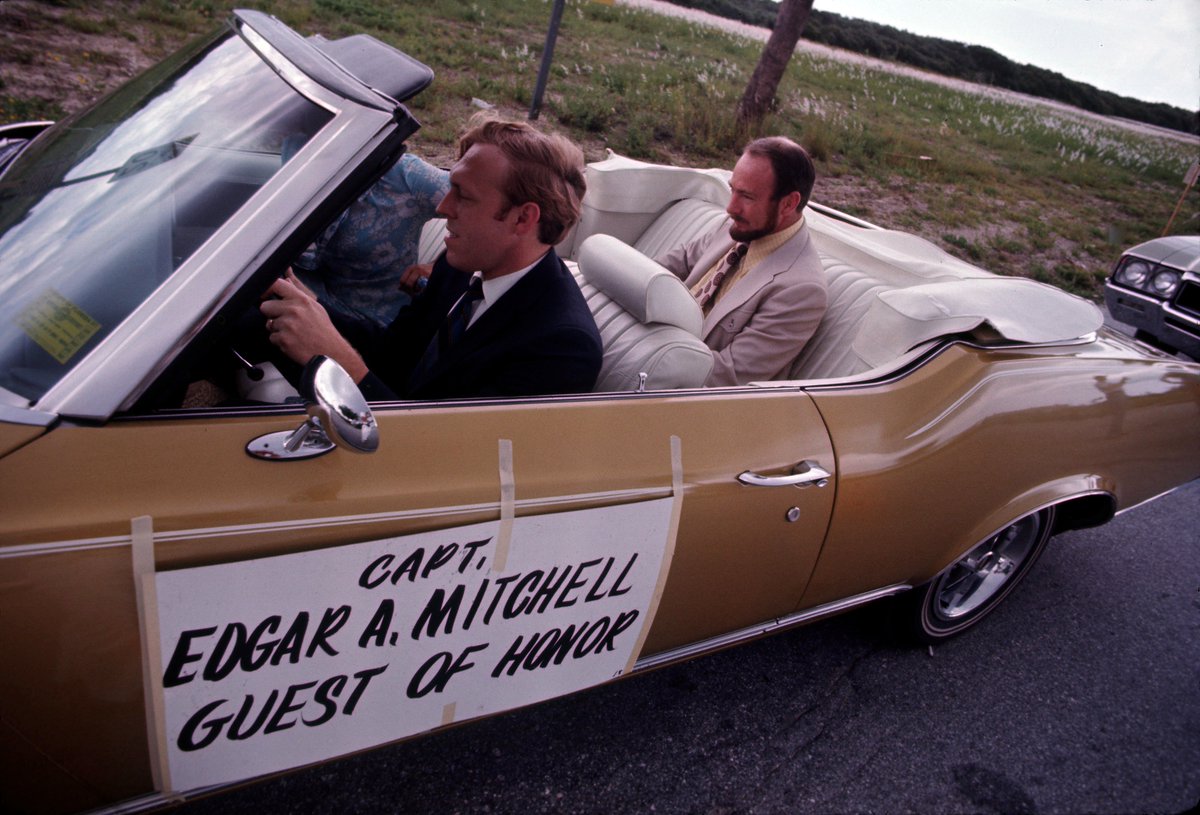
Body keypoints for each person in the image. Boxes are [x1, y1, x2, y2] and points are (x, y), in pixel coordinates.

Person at [261, 115, 602, 401]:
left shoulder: (561, 346)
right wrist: (311, 305)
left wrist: (340, 361)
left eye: (463, 197)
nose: (443, 208)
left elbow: (440, 456)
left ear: (522, 219)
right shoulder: (462, 268)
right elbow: (393, 351)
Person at [655, 136, 827, 386]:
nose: (731, 207)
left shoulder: (801, 290)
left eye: (746, 196)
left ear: (788, 204)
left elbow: (727, 375)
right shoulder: (738, 226)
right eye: (732, 189)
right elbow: (669, 265)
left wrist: (645, 357)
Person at [292, 151, 450, 328]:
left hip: (375, 328)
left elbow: (482, 209)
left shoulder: (407, 175)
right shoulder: (304, 152)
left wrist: (440, 267)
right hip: (302, 302)